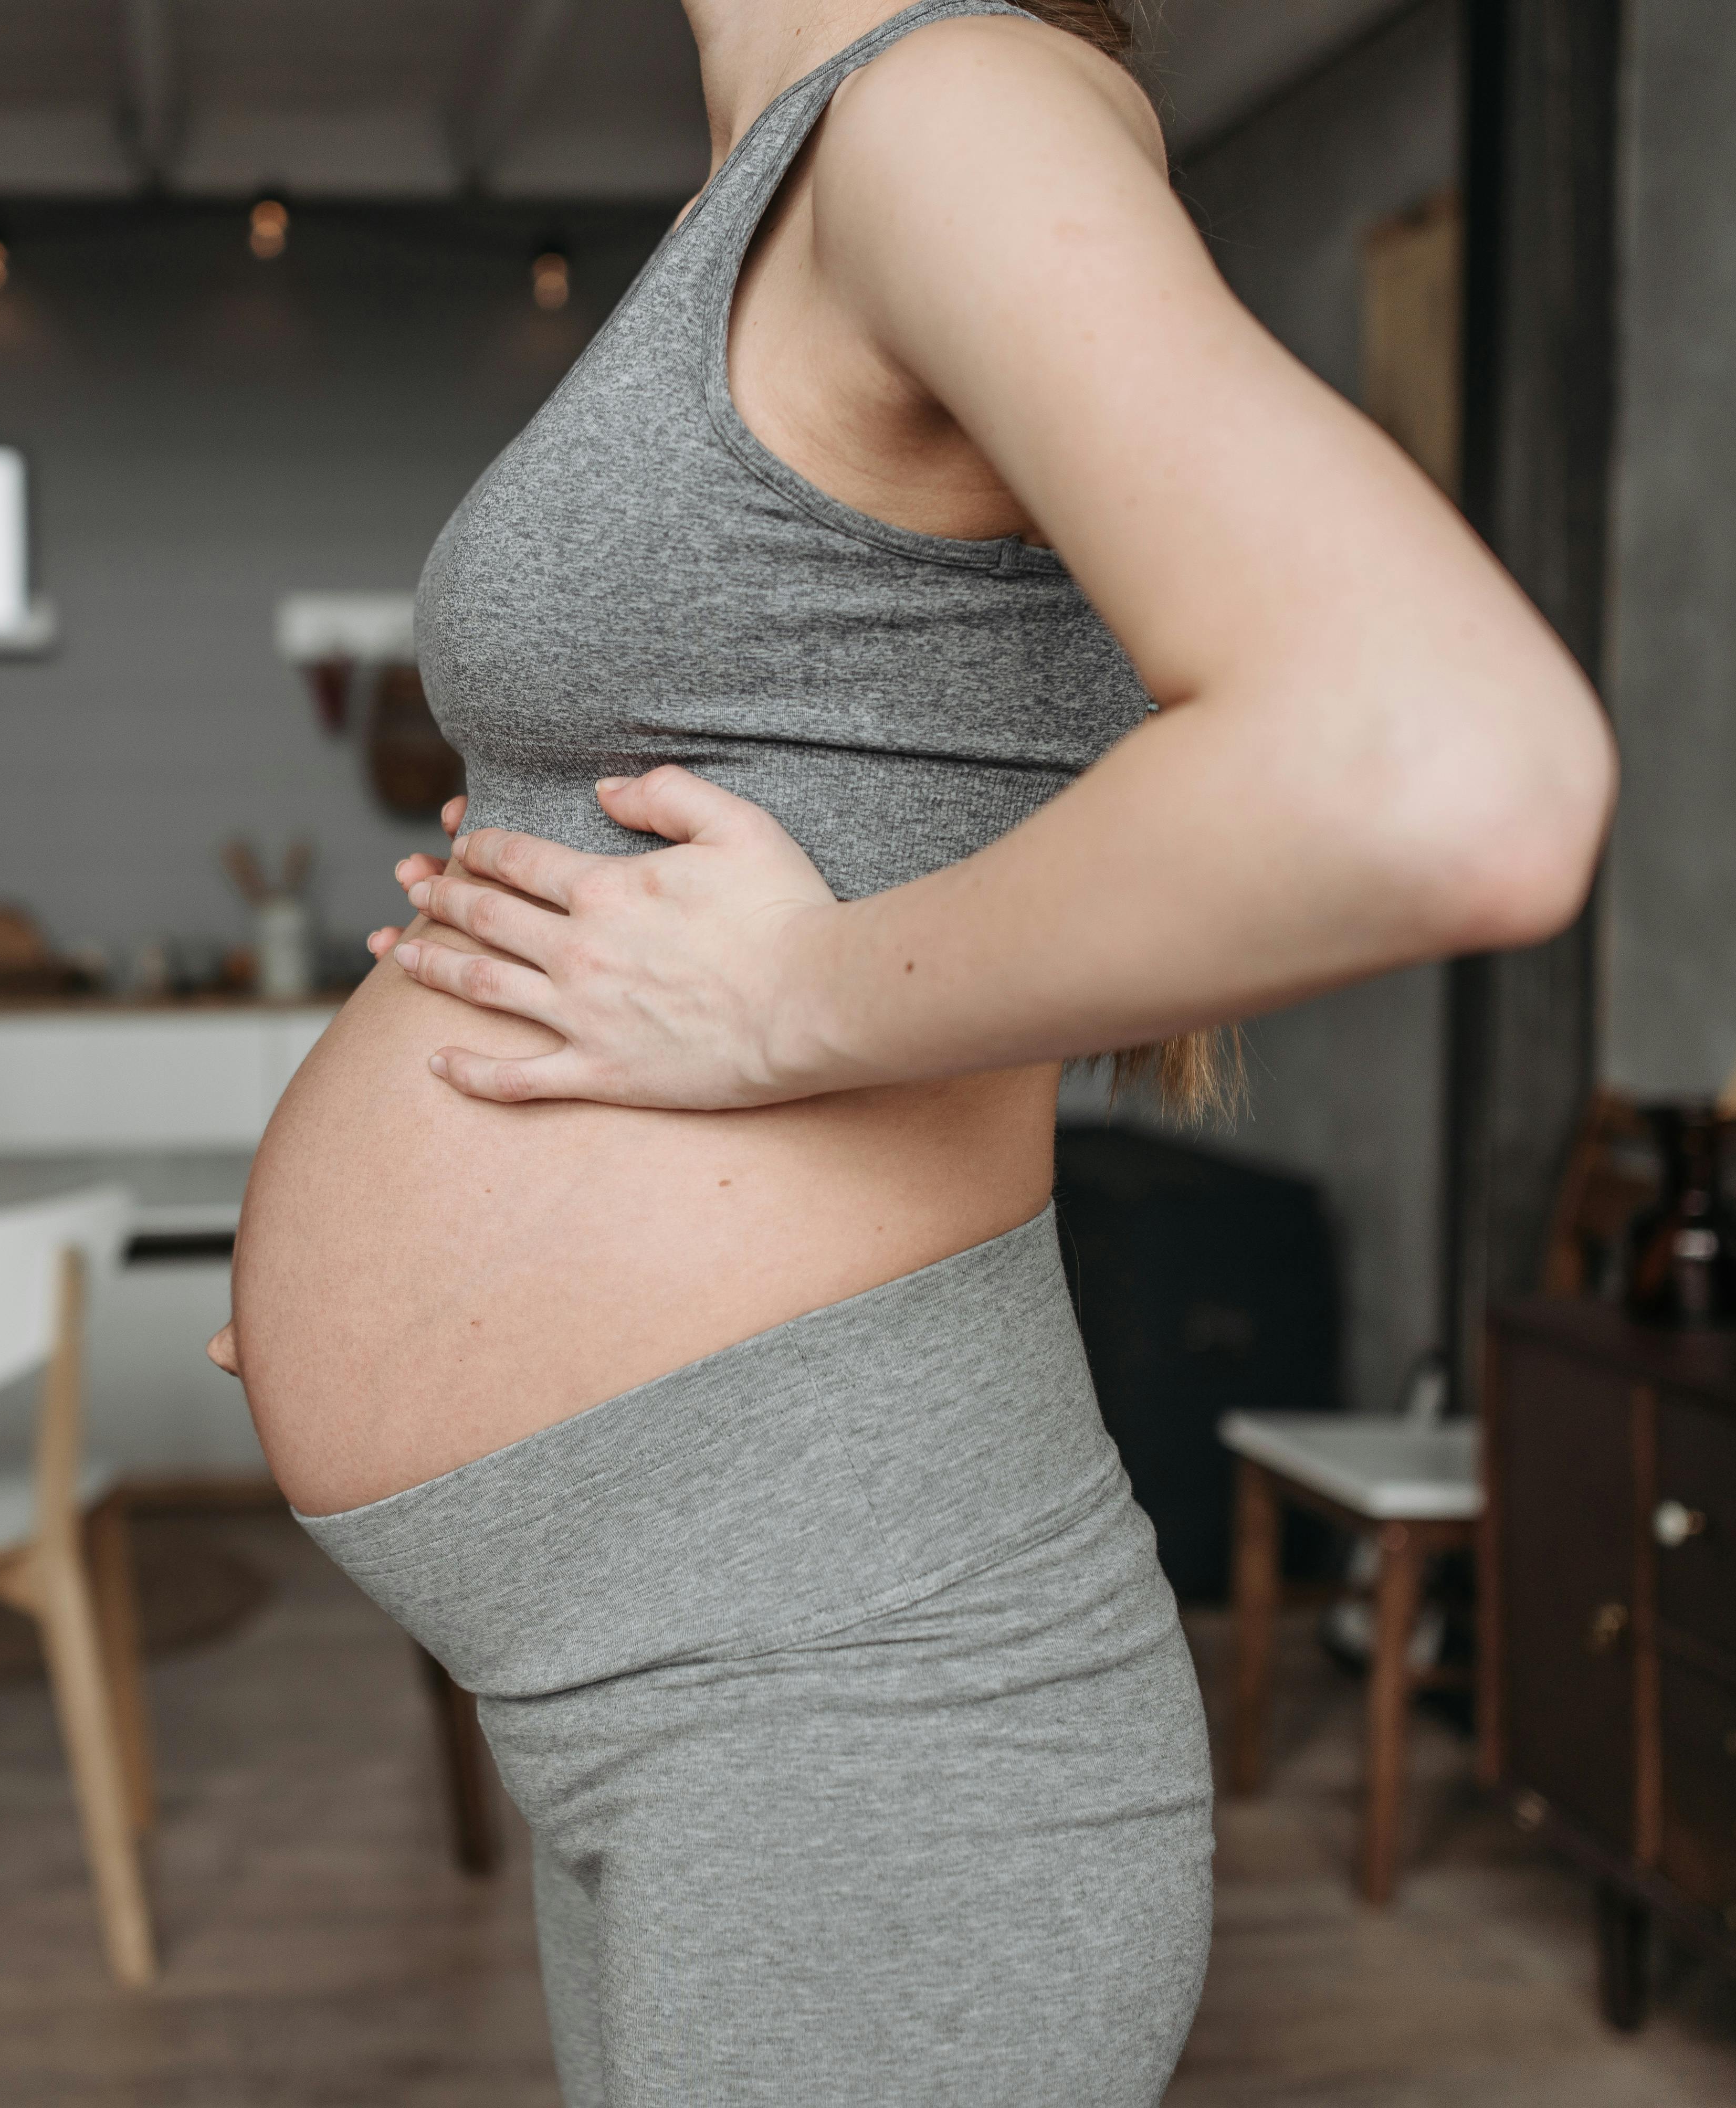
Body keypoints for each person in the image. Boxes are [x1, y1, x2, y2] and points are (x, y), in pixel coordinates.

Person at [211, 1, 1616, 2100]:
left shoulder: (942, 108)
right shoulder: (796, 164)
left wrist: (780, 1001)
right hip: (690, 1679)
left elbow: (1448, 773)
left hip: (846, 1701)